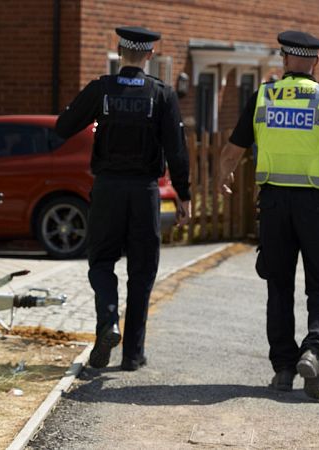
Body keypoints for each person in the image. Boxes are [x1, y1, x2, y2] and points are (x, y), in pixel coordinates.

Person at [219, 30, 319, 399]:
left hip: (274, 205)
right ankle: (315, 351)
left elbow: (232, 151)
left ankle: (283, 368)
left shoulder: (264, 96)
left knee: (279, 285)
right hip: (316, 205)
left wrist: (224, 176)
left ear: (284, 59)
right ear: (316, 61)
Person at [55, 26, 191, 371]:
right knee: (142, 272)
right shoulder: (161, 94)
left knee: (102, 262)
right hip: (144, 192)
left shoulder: (101, 89)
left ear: (120, 52)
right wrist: (184, 195)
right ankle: (132, 354)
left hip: (107, 189)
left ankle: (108, 323)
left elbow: (63, 126)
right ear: (150, 55)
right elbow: (177, 150)